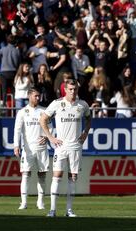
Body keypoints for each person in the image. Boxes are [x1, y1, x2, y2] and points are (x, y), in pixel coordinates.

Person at [40, 79, 91, 217]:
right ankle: (52, 210)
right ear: (65, 89)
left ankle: (69, 210)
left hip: (75, 147)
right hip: (61, 146)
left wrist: (85, 132)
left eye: (75, 89)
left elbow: (89, 118)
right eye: (70, 89)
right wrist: (50, 137)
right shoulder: (57, 104)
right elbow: (42, 119)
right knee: (57, 176)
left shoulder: (83, 105)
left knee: (73, 177)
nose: (73, 92)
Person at [13, 87, 50, 210]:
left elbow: (50, 127)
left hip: (41, 148)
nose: (38, 98)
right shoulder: (22, 112)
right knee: (25, 174)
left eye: (39, 96)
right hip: (28, 149)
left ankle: (40, 202)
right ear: (29, 96)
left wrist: (47, 137)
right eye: (36, 96)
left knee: (42, 175)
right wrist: (16, 145)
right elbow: (17, 130)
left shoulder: (44, 111)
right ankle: (23, 202)